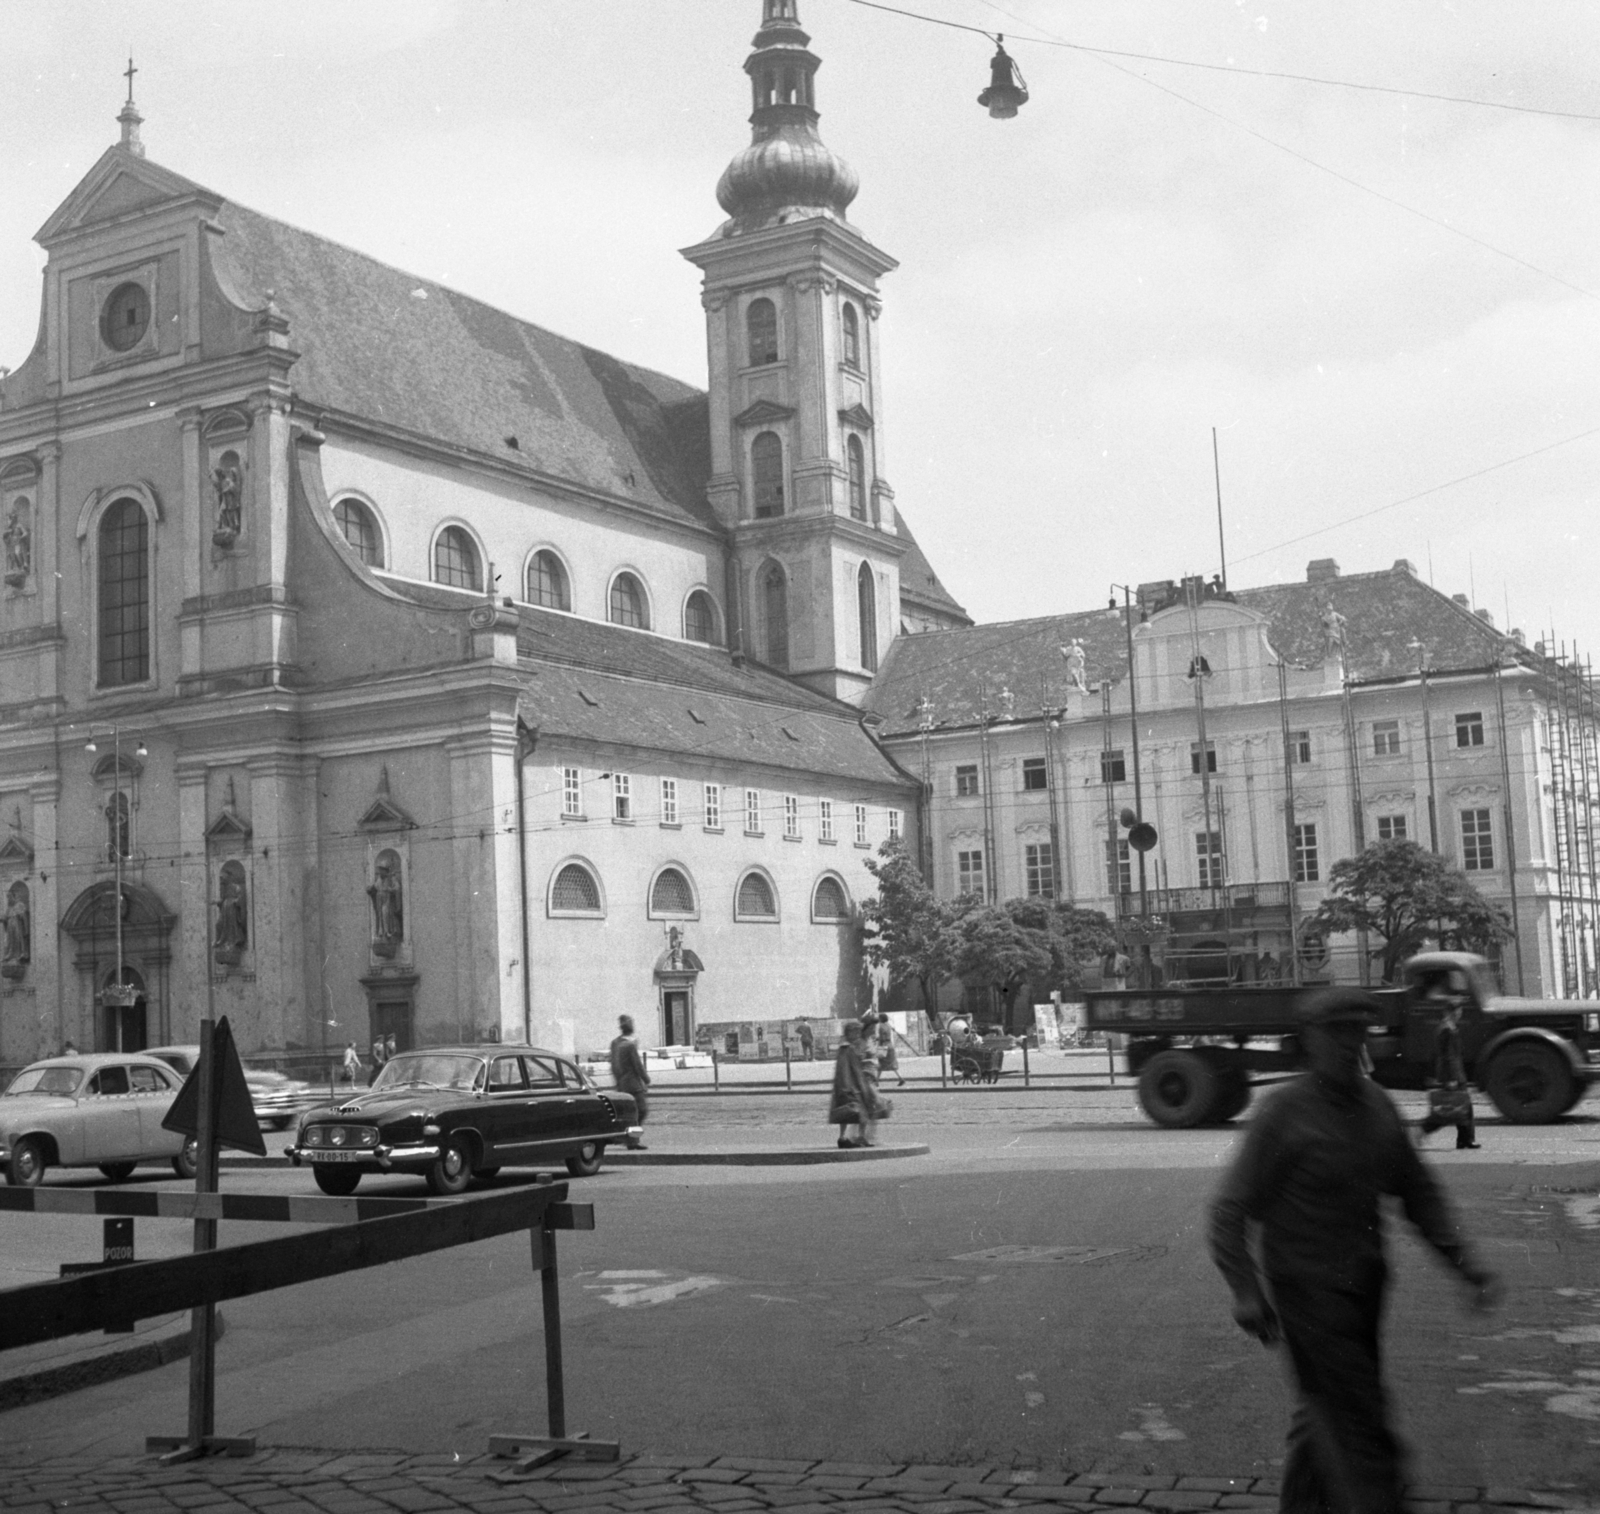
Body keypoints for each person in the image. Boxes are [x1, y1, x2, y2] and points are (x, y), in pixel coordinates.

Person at [1209, 987, 1501, 1514]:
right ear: (1310, 1041)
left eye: (1357, 1033)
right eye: (1336, 1034)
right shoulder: (1285, 1112)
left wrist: (1466, 1264)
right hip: (1308, 1294)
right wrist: (1245, 1291)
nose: (1349, 1045)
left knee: (1325, 1410)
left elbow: (1417, 1193)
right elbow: (1229, 1210)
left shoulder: (1376, 1106)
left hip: (1364, 1292)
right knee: (1361, 1425)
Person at [1417, 1000, 1479, 1149]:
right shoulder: (1447, 1029)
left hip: (1454, 1073)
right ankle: (1422, 1130)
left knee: (1463, 1107)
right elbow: (1449, 1056)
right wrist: (1453, 1078)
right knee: (1450, 1109)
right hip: (1452, 1074)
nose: (1459, 1014)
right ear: (1451, 1012)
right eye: (1458, 1011)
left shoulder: (1447, 1028)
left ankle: (1465, 1140)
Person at [829, 1020, 879, 1148]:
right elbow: (847, 1069)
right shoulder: (847, 1048)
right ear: (849, 1032)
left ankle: (851, 1137)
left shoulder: (847, 1047)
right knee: (849, 1111)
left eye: (859, 1032)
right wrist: (853, 1086)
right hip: (850, 1085)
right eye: (856, 1032)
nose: (858, 1034)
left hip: (850, 1084)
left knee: (852, 1112)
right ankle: (844, 1138)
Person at [609, 1014, 650, 1150]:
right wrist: (646, 1078)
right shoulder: (630, 1045)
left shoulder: (615, 1043)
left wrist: (618, 1080)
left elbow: (613, 1065)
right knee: (641, 1111)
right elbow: (637, 1065)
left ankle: (630, 1140)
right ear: (630, 1027)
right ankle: (632, 1141)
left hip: (622, 1084)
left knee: (629, 1114)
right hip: (633, 1085)